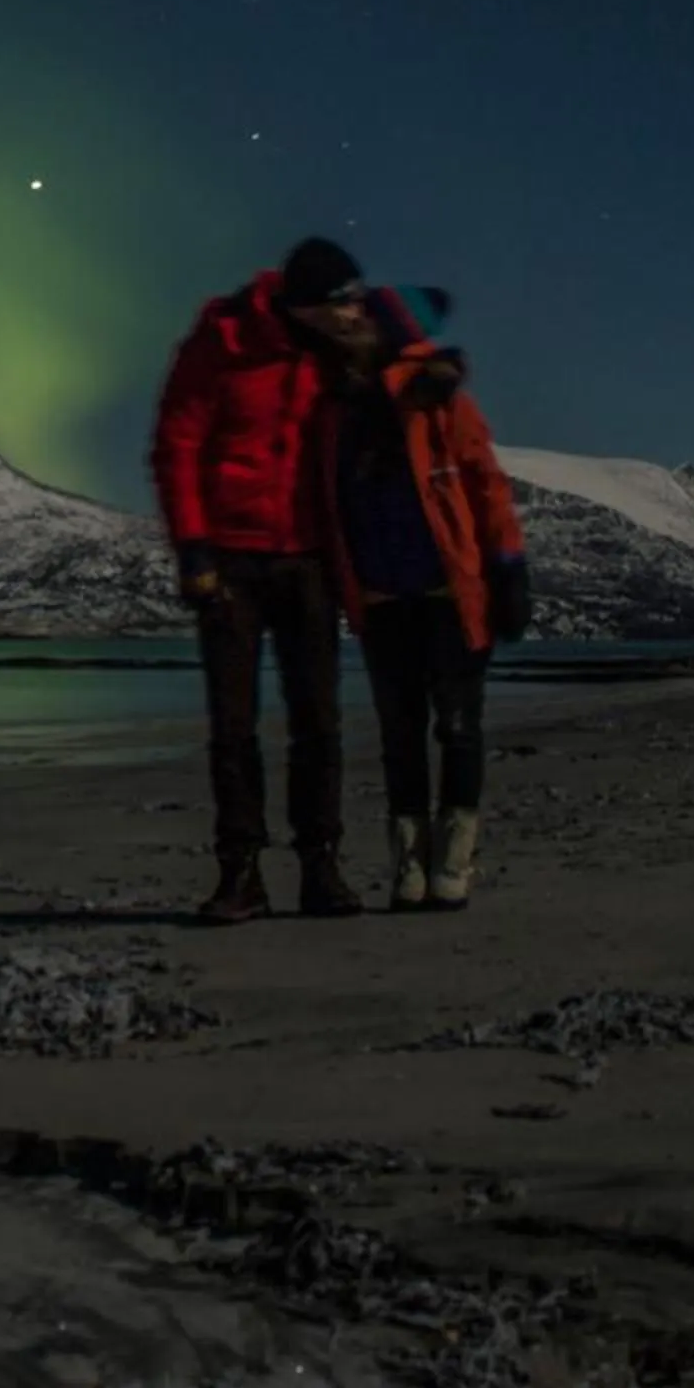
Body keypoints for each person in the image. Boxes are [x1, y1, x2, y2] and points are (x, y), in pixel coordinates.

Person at [150, 235, 450, 925]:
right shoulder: (221, 341)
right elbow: (179, 444)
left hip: (311, 559)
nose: (354, 308)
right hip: (230, 560)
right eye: (342, 299)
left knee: (318, 721)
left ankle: (322, 867)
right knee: (233, 726)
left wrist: (438, 373)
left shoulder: (340, 347)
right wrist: (193, 549)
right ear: (308, 304)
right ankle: (241, 873)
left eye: (355, 297)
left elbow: (414, 353)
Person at [306, 284, 530, 912]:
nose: (350, 327)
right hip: (381, 602)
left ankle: (451, 863)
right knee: (400, 737)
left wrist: (508, 569)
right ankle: (409, 866)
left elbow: (487, 484)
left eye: (363, 321)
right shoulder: (334, 412)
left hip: (447, 595)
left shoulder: (437, 399)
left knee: (457, 729)